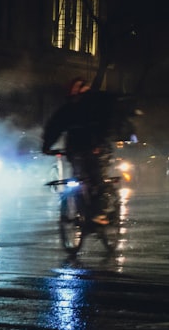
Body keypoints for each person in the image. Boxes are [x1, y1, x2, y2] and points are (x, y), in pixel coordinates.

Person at [41, 78, 124, 225]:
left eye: (78, 90)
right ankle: (84, 212)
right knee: (77, 180)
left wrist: (99, 143)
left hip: (98, 149)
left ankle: (101, 212)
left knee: (97, 178)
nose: (75, 93)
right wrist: (47, 146)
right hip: (76, 150)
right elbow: (54, 127)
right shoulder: (68, 109)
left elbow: (106, 125)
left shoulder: (96, 105)